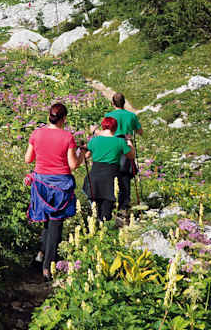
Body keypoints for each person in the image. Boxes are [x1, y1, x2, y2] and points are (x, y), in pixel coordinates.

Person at [25, 102, 83, 280]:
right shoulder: (67, 137)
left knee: (46, 220)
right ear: (64, 119)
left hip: (41, 182)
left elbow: (28, 159)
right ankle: (47, 267)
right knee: (56, 224)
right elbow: (73, 165)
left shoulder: (36, 133)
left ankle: (41, 255)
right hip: (60, 184)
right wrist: (83, 155)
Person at [85, 117, 135, 222]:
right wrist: (129, 141)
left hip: (95, 176)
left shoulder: (94, 140)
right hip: (110, 177)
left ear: (103, 126)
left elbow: (86, 155)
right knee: (106, 210)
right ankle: (105, 227)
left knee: (96, 208)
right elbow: (131, 156)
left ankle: (97, 229)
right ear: (115, 128)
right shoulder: (120, 142)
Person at [105, 92, 141, 211]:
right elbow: (140, 131)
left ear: (112, 103)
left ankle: (112, 203)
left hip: (112, 146)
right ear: (124, 102)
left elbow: (105, 132)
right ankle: (124, 204)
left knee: (112, 173)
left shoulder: (109, 115)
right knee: (125, 175)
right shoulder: (131, 116)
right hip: (126, 144)